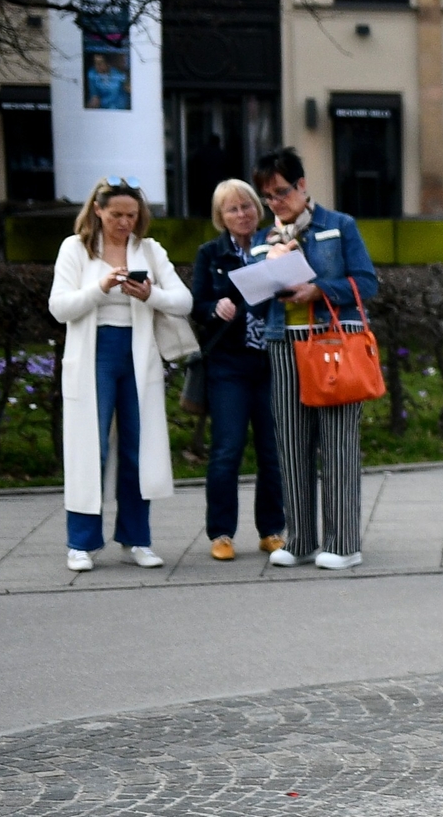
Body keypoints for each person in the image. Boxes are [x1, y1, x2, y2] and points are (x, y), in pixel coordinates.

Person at [49, 178, 192, 572]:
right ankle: (81, 542)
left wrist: (151, 295)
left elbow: (183, 300)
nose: (125, 223)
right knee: (89, 447)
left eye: (132, 215)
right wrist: (100, 287)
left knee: (137, 447)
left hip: (137, 354)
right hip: (94, 353)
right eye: (116, 215)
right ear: (98, 210)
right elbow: (59, 308)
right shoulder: (75, 248)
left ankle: (137, 538)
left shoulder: (149, 249)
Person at [252, 146, 378, 571]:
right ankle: (302, 538)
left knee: (339, 444)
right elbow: (253, 300)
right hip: (283, 343)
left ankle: (344, 543)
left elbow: (366, 282)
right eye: (267, 196)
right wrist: (262, 277)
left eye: (283, 191)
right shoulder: (262, 239)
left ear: (303, 185)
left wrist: (320, 290)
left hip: (330, 344)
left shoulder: (338, 226)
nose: (276, 202)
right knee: (290, 443)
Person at [188, 177, 285, 562]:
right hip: (228, 363)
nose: (242, 214)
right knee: (227, 449)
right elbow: (196, 303)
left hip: (271, 361)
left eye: (246, 206)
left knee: (273, 450)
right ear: (220, 216)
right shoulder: (210, 254)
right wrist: (215, 308)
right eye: (232, 209)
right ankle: (221, 533)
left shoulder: (272, 246)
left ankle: (272, 530)